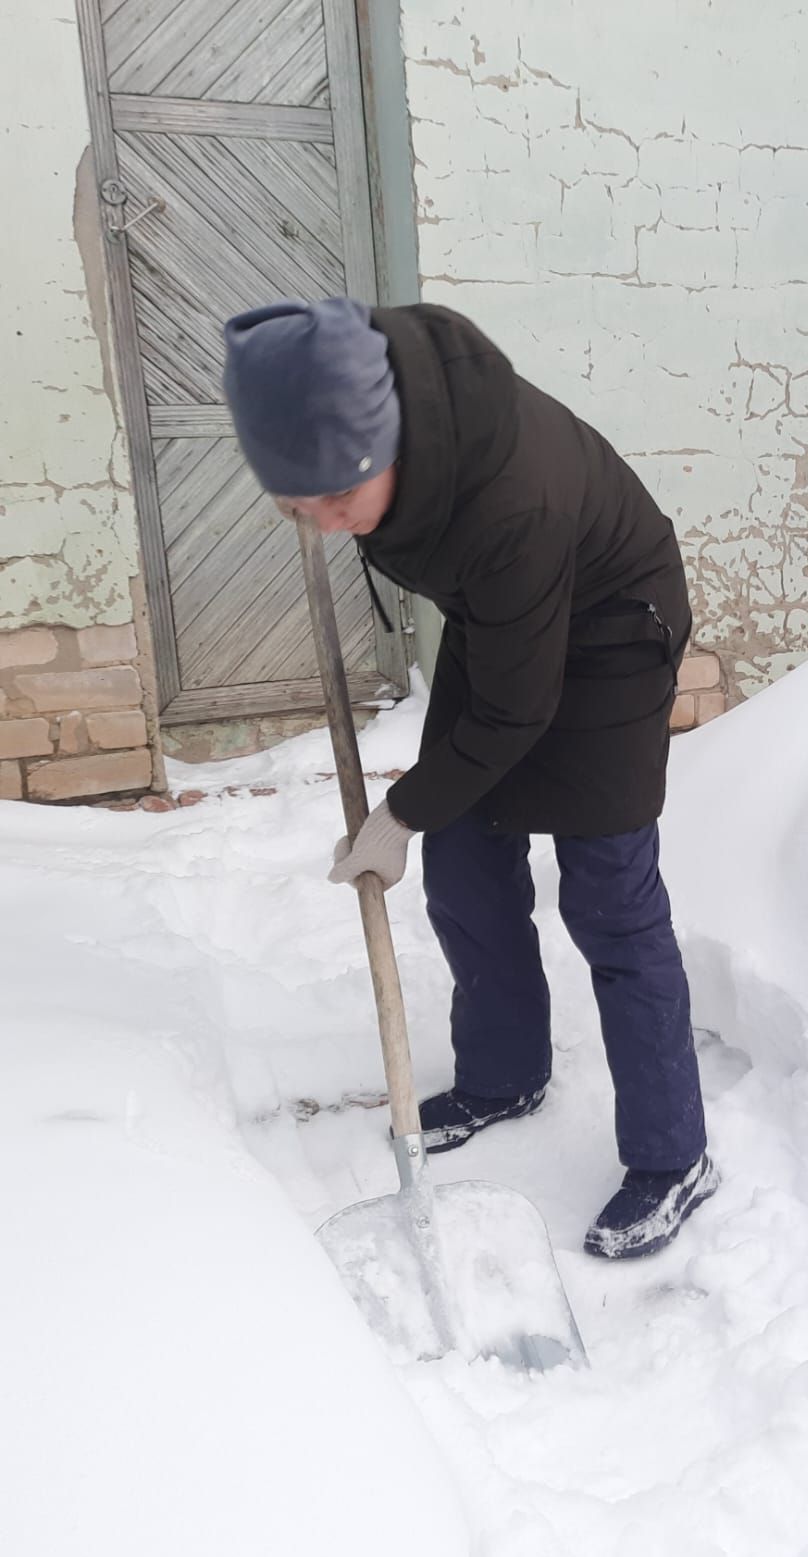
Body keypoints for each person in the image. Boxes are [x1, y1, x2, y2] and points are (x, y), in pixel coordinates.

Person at [220, 296, 717, 1260]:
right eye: (296, 503)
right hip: (511, 618)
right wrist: (427, 817)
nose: (321, 526)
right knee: (465, 853)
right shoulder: (373, 397)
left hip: (612, 628)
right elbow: (502, 696)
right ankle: (503, 1072)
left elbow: (514, 715)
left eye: (335, 498)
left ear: (389, 444)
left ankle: (673, 1155)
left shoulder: (512, 498)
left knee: (609, 895)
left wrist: (394, 813)